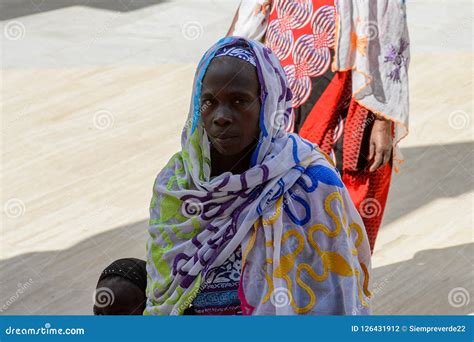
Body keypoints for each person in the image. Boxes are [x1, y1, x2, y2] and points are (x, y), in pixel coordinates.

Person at [145, 37, 371, 316]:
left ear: (267, 105)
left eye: (239, 101)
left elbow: (336, 294)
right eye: (209, 102)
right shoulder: (175, 184)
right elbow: (162, 297)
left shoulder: (311, 182)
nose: (221, 116)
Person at [228, 0, 410, 252]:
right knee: (275, 178)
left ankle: (338, 277)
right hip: (284, 66)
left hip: (343, 73)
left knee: (343, 180)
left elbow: (390, 19)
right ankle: (282, 274)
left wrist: (382, 118)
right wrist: (229, 51)